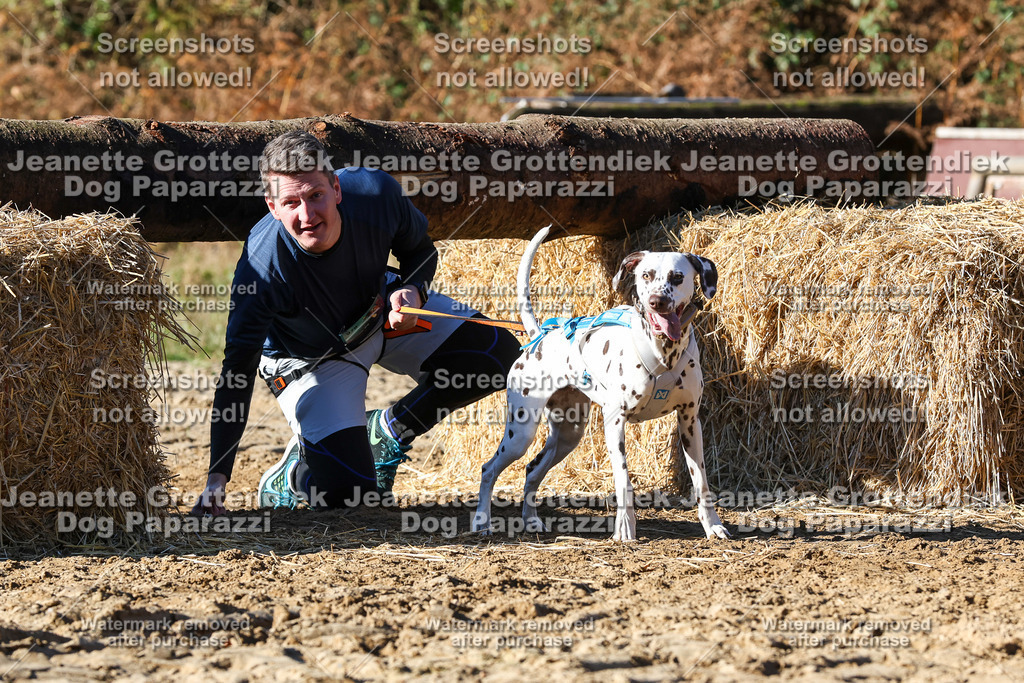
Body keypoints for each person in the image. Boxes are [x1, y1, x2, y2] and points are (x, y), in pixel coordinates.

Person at [190, 131, 521, 515]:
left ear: (336, 189)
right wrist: (217, 480)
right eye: (291, 203)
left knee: (499, 353)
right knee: (353, 498)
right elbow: (237, 371)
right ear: (272, 207)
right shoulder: (260, 269)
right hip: (310, 359)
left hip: (379, 312)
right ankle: (293, 476)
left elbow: (420, 251)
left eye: (316, 195)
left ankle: (388, 431)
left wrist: (413, 291)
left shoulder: (374, 192)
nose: (307, 215)